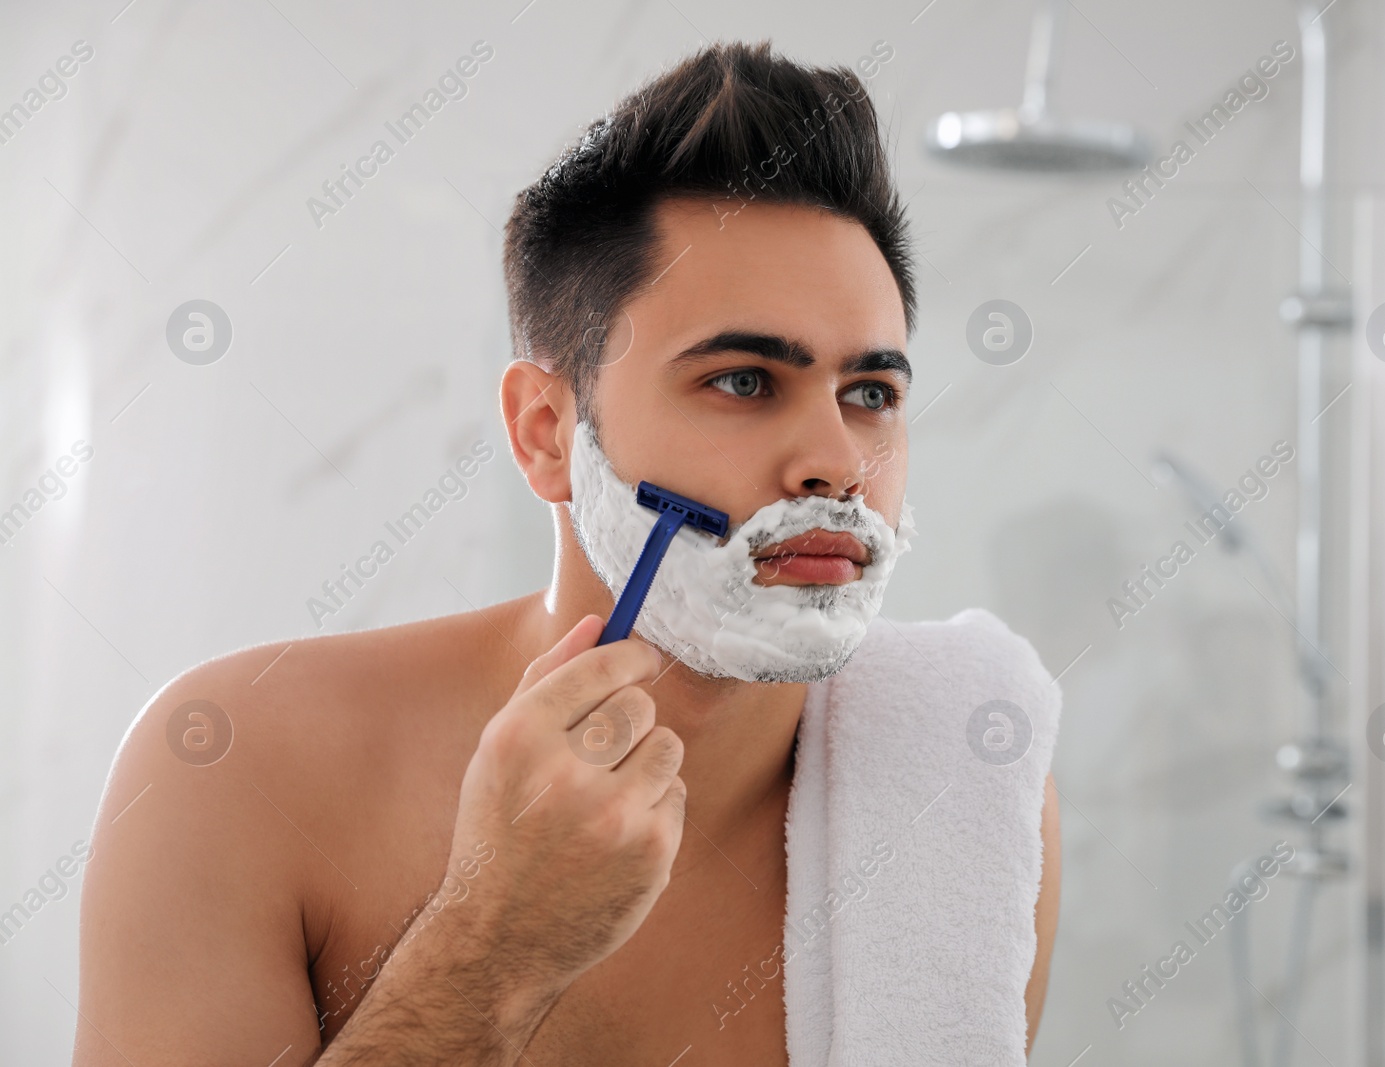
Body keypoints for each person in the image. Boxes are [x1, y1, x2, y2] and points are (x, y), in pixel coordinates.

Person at [75, 40, 1061, 1066]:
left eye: (870, 394)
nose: (836, 464)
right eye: (742, 380)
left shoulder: (967, 788)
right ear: (546, 431)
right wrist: (492, 943)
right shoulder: (235, 766)